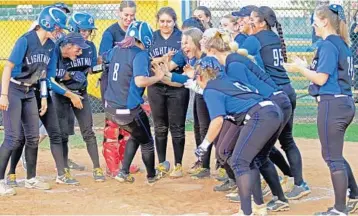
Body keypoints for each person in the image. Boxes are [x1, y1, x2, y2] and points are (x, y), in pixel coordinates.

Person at [284, 4, 358, 215]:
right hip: (344, 102)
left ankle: (340, 209)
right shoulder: (342, 43)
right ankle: (354, 194)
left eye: (316, 19)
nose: (313, 24)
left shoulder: (328, 44)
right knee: (335, 154)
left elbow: (321, 78)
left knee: (332, 157)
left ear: (325, 20)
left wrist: (299, 68)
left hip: (332, 105)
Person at [0, 6, 78, 195]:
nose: (59, 32)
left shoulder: (51, 46)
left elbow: (44, 75)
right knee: (13, 137)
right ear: (47, 24)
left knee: (33, 137)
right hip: (13, 89)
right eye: (58, 28)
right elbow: (8, 67)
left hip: (30, 92)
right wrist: (3, 95)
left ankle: (31, 179)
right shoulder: (26, 40)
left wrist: (43, 97)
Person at [193, 56, 283, 216]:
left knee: (239, 161)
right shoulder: (228, 81)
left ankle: (246, 211)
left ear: (200, 76)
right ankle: (259, 207)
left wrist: (204, 145)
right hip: (273, 111)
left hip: (260, 116)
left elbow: (217, 121)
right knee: (252, 160)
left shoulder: (210, 89)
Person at [240, 6, 310, 200]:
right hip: (288, 90)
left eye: (253, 19)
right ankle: (298, 182)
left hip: (275, 94)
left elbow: (237, 55)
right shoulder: (273, 37)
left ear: (262, 22)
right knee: (286, 141)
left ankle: (270, 184)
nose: (250, 21)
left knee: (263, 143)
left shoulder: (255, 39)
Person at [104, 20, 163, 185]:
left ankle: (123, 172)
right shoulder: (140, 54)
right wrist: (157, 77)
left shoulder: (116, 49)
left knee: (136, 135)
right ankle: (152, 176)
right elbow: (139, 81)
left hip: (111, 108)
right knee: (147, 141)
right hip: (128, 110)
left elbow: (122, 64)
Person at [51, 31, 105, 182]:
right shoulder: (56, 51)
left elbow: (90, 68)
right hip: (62, 96)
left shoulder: (89, 47)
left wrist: (102, 66)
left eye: (89, 31)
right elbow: (55, 77)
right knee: (63, 134)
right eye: (78, 49)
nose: (81, 51)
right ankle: (64, 170)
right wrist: (72, 76)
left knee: (88, 131)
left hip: (81, 94)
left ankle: (97, 167)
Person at [98, 0, 139, 176]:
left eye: (132, 15)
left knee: (127, 125)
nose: (129, 18)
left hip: (129, 83)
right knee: (112, 125)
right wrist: (120, 51)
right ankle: (112, 165)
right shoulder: (111, 32)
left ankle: (124, 163)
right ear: (119, 13)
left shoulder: (136, 30)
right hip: (112, 82)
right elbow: (103, 57)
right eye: (126, 15)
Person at [148, 7, 189, 178]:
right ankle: (162, 162)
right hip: (155, 86)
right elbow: (146, 61)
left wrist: (160, 64)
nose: (165, 24)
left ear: (174, 21)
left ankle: (178, 164)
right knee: (159, 126)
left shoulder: (181, 37)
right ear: (158, 21)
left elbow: (184, 59)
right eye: (162, 21)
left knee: (177, 126)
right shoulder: (151, 37)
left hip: (176, 85)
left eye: (169, 21)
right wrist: (163, 60)